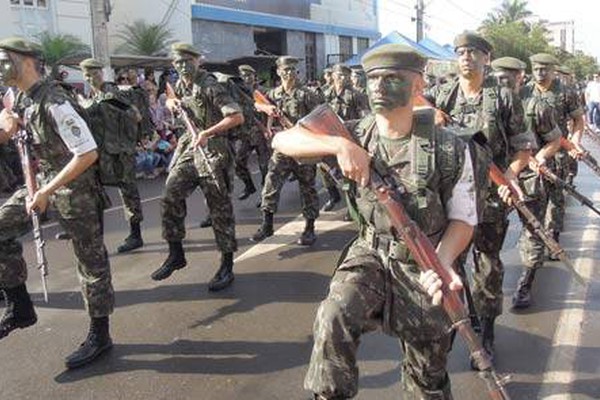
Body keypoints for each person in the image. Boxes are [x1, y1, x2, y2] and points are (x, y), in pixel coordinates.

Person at [273, 43, 477, 400]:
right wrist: (340, 147)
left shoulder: (450, 148)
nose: (379, 86)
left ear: (418, 86)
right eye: (373, 79)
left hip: (423, 261)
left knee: (427, 377)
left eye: (392, 78)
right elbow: (282, 139)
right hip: (370, 252)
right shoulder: (353, 134)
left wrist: (442, 263)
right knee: (334, 314)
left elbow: (463, 219)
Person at [0, 37, 114, 368]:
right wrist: (6, 123)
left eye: (6, 58)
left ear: (27, 61)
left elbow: (87, 153)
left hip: (74, 190)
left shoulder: (55, 101)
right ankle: (20, 306)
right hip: (43, 184)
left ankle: (100, 335)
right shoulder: (21, 98)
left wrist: (47, 191)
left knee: (90, 264)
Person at [425, 32, 533, 361]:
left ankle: (486, 330)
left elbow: (523, 147)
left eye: (473, 52)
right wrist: (432, 115)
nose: (466, 57)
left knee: (486, 266)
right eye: (460, 52)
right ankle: (460, 321)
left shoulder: (502, 97)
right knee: (450, 263)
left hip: (489, 198)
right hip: (449, 197)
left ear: (486, 58)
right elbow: (414, 104)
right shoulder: (443, 93)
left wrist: (510, 178)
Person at [150, 42, 244, 292]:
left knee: (219, 210)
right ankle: (176, 253)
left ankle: (227, 265)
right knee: (170, 194)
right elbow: (174, 100)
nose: (182, 66)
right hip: (189, 148)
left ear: (197, 62)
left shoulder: (209, 85)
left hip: (214, 150)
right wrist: (171, 104)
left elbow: (236, 117)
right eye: (178, 62)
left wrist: (207, 132)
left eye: (187, 61)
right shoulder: (181, 84)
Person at [512, 53, 582, 307]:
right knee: (534, 216)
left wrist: (574, 141)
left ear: (553, 70)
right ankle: (529, 273)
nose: (540, 73)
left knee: (556, 200)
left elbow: (578, 120)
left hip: (557, 154)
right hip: (527, 162)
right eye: (537, 69)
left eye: (545, 69)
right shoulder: (523, 93)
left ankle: (553, 235)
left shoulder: (566, 91)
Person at [251, 56, 322, 245]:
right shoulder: (274, 94)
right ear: (278, 72)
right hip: (283, 148)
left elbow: (319, 117)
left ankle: (309, 228)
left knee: (307, 188)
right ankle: (267, 225)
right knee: (271, 182)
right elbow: (256, 103)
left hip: (303, 148)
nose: (289, 73)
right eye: (285, 70)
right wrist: (267, 110)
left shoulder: (306, 94)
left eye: (292, 70)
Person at [79, 58, 145, 253]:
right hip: (101, 153)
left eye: (94, 73)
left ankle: (136, 234)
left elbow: (135, 115)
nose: (91, 77)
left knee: (128, 192)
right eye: (87, 74)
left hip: (120, 152)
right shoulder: (91, 96)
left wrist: (130, 141)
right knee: (94, 193)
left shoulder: (113, 93)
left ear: (101, 73)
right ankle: (96, 237)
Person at [320, 63, 369, 212]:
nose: (342, 78)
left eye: (345, 76)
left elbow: (365, 118)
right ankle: (333, 195)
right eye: (339, 75)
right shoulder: (324, 94)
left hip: (348, 138)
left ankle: (351, 207)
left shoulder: (356, 95)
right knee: (323, 167)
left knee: (348, 174)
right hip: (329, 138)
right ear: (333, 75)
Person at [232, 64, 271, 201]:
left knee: (264, 167)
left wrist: (268, 129)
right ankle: (249, 186)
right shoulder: (237, 93)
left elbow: (271, 112)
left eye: (249, 75)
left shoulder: (263, 92)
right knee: (238, 161)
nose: (246, 78)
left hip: (261, 133)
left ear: (255, 77)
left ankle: (265, 196)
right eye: (243, 76)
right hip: (245, 133)